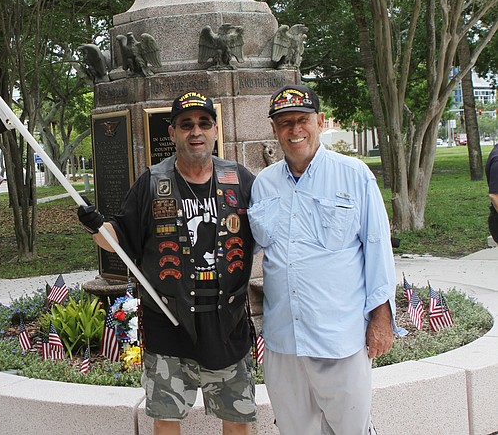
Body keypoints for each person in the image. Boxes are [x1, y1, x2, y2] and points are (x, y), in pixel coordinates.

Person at [77, 91, 256, 435]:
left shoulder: (240, 179)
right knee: (165, 420)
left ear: (215, 130)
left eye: (204, 123)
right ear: (172, 133)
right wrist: (95, 225)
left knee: (238, 420)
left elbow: (268, 233)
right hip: (168, 321)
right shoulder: (151, 182)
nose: (196, 131)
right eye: (186, 125)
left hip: (227, 323)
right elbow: (117, 240)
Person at [248, 84, 402, 435]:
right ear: (274, 129)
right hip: (283, 341)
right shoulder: (263, 184)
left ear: (319, 121)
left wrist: (381, 319)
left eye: (302, 120)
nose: (294, 130)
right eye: (285, 123)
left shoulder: (355, 175)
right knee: (295, 430)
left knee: (351, 429)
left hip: (339, 337)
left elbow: (378, 249)